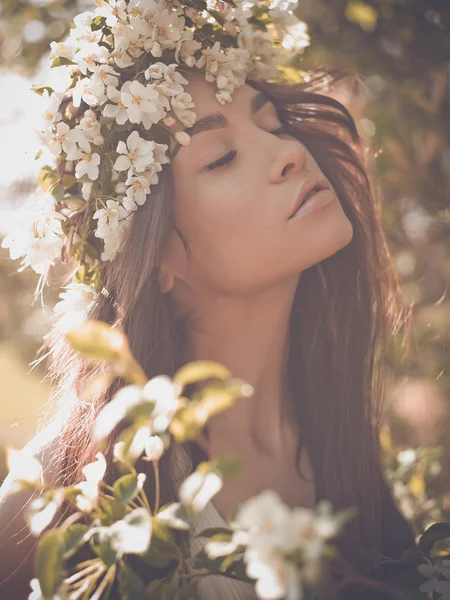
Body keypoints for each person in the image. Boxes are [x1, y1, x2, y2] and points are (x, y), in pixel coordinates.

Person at [0, 3, 417, 597]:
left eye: (272, 123)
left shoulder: (341, 436)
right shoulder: (69, 489)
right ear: (154, 258)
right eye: (221, 158)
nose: (289, 153)